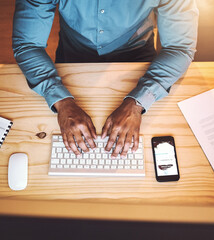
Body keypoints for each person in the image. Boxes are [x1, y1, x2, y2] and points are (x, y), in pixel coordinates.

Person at [12, 0, 198, 158]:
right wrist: (60, 101)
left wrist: (139, 101)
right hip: (73, 57)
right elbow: (27, 44)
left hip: (139, 58)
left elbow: (179, 47)